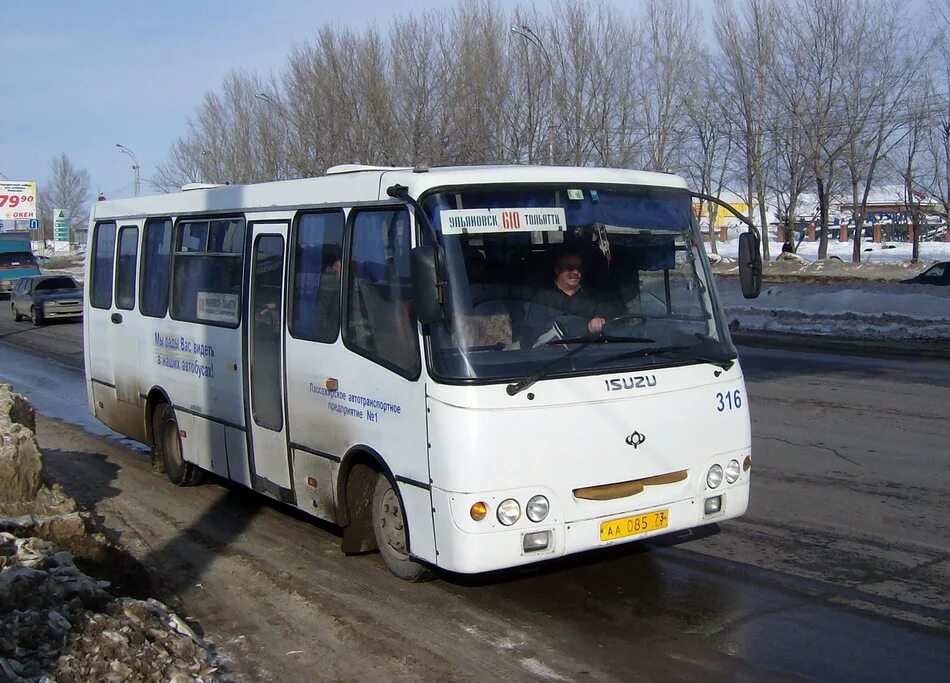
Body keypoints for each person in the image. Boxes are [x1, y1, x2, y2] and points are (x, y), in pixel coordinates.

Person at [521, 248, 617, 345]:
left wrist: (599, 320)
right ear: (557, 270)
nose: (576, 272)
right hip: (550, 355)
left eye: (579, 268)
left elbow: (611, 323)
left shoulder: (592, 297)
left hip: (589, 354)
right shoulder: (541, 299)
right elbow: (530, 336)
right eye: (570, 268)